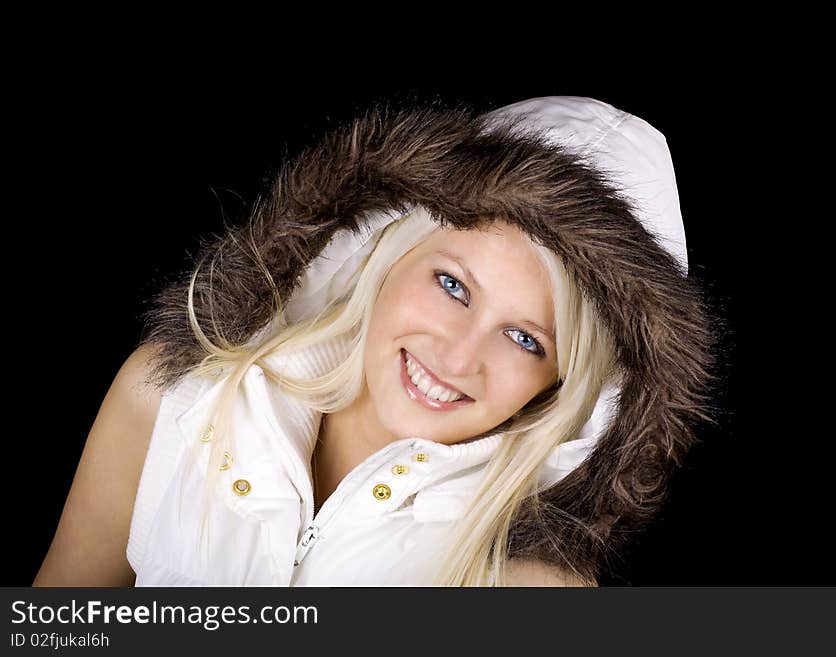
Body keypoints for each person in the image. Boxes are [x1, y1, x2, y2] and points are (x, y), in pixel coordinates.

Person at [33, 95, 719, 587]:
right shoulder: (169, 398)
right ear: (389, 249)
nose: (456, 356)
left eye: (523, 337)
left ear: (568, 385)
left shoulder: (526, 585)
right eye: (453, 285)